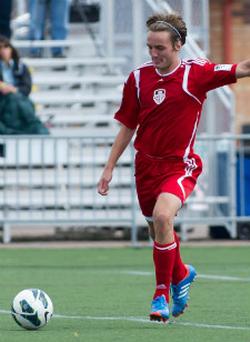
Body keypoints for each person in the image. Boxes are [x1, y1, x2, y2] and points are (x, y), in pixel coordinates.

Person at [97, 12, 250, 323]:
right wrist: (109, 167)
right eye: (150, 47)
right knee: (158, 231)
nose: (154, 54)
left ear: (178, 45)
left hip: (180, 166)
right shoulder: (138, 79)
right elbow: (128, 125)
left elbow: (242, 68)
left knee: (164, 217)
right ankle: (182, 273)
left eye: (160, 48)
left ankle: (161, 295)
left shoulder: (198, 74)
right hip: (145, 168)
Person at [0, 35, 49, 134]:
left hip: (19, 99)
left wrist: (13, 90)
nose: (3, 50)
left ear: (11, 49)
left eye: (6, 47)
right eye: (0, 48)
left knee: (16, 99)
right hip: (3, 102)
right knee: (14, 100)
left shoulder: (21, 67)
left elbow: (27, 88)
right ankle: (33, 125)